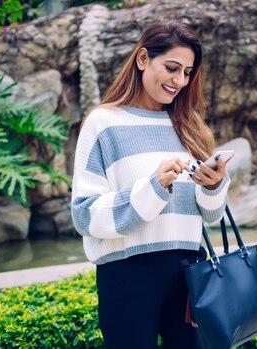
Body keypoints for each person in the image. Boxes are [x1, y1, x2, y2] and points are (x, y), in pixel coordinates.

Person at [70, 21, 230, 349]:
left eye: (187, 72)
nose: (179, 81)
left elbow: (211, 217)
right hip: (127, 275)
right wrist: (154, 187)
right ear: (143, 59)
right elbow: (85, 216)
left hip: (189, 272)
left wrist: (213, 187)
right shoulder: (102, 123)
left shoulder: (190, 126)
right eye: (171, 68)